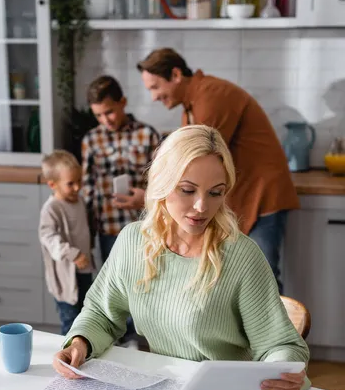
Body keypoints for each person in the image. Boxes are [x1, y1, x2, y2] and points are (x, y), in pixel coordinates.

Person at [53, 125, 310, 390]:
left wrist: (283, 373)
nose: (202, 206)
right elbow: (102, 315)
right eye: (188, 190)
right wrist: (80, 342)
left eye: (215, 192)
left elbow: (279, 344)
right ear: (162, 183)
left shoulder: (241, 256)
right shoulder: (132, 243)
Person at [136, 48, 299, 293]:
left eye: (155, 87)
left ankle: (275, 331)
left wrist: (156, 193)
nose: (153, 97)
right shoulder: (193, 102)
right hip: (243, 195)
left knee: (263, 277)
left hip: (262, 195)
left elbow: (199, 160)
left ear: (176, 74)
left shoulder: (211, 96)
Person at [81, 75, 159, 263]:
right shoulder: (91, 140)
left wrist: (146, 200)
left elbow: (162, 181)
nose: (105, 120)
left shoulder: (147, 135)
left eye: (109, 112)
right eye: (98, 115)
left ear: (122, 103)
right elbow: (88, 189)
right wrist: (88, 234)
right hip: (108, 230)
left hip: (143, 226)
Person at [39, 150, 93, 336]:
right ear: (52, 184)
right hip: (65, 277)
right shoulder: (51, 208)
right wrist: (73, 254)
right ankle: (67, 358)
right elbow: (48, 237)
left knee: (87, 317)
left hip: (84, 270)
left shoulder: (79, 202)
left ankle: (85, 355)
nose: (77, 187)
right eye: (71, 184)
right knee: (70, 320)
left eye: (79, 181)